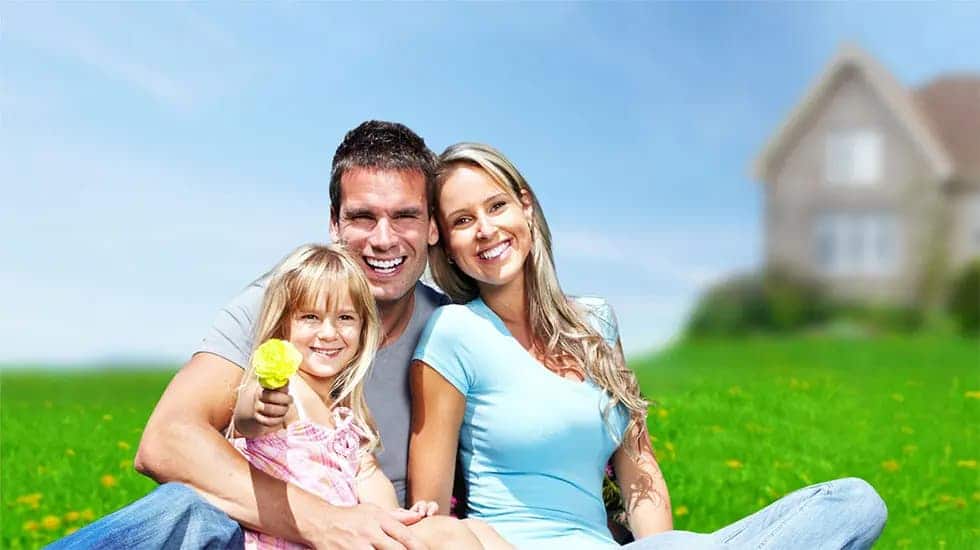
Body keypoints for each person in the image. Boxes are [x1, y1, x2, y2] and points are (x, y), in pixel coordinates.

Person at [407, 142, 888, 549]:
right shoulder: (454, 334)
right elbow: (431, 519)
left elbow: (639, 472)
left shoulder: (594, 322)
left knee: (854, 503)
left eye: (496, 206)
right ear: (447, 245)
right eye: (463, 220)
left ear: (526, 207)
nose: (486, 229)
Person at [51, 121, 449, 549]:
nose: (383, 239)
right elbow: (166, 442)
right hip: (258, 534)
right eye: (362, 217)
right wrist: (324, 522)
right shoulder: (279, 301)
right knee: (186, 511)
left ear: (431, 227)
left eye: (405, 216)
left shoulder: (450, 329)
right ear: (335, 223)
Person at [226, 243, 508, 550]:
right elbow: (248, 421)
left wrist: (406, 520)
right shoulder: (288, 391)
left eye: (345, 318)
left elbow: (377, 498)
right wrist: (261, 404)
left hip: (350, 541)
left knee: (479, 531)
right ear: (283, 325)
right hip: (293, 543)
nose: (329, 333)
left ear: (363, 329)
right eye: (310, 317)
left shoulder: (346, 418)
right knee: (449, 537)